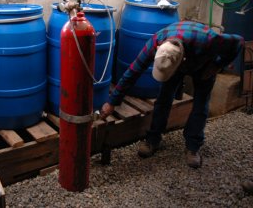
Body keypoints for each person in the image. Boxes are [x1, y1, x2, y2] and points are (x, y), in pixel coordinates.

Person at [100, 21, 244, 168]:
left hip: (204, 65)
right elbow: (132, 72)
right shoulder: (155, 43)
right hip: (179, 61)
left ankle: (193, 147)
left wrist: (217, 65)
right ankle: (153, 140)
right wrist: (112, 101)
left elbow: (238, 42)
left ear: (182, 59)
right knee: (163, 98)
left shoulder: (207, 39)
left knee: (200, 103)